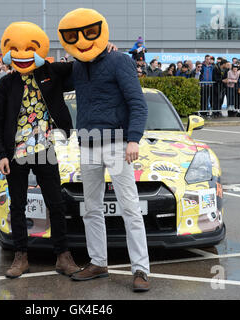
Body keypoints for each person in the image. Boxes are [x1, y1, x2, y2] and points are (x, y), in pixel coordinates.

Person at [58, 8, 150, 292]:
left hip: (118, 144)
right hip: (87, 145)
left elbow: (138, 102)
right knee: (92, 209)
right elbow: (50, 76)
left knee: (130, 208)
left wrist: (133, 139)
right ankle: (98, 262)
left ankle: (141, 270)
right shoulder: (76, 66)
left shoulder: (120, 61)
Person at [0, 21, 81, 279]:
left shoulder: (50, 73)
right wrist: (1, 155)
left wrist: (104, 50)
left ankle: (63, 256)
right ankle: (21, 257)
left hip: (45, 149)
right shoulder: (6, 85)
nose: (23, 55)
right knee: (18, 205)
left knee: (56, 202)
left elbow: (81, 64)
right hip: (15, 153)